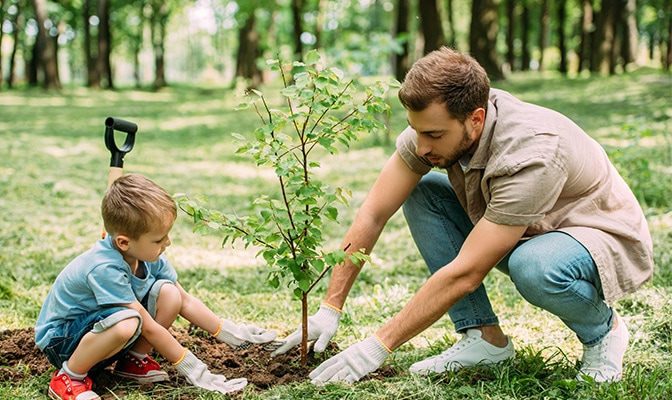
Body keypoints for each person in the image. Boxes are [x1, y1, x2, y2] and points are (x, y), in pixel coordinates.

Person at [271, 47, 654, 385]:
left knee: (533, 266)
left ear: (475, 118)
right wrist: (329, 307)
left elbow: (468, 272)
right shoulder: (432, 128)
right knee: (423, 194)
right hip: (525, 225)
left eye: (434, 135)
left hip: (594, 235)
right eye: (415, 131)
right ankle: (484, 340)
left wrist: (376, 346)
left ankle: (603, 333)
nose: (422, 147)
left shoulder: (532, 153)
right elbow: (374, 211)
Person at [35, 173, 277, 400]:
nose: (168, 243)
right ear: (124, 242)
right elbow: (147, 327)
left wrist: (231, 333)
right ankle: (69, 377)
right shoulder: (104, 267)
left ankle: (132, 361)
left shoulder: (148, 256)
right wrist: (195, 370)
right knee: (127, 321)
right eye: (159, 239)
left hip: (99, 333)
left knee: (170, 294)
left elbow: (185, 300)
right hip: (63, 341)